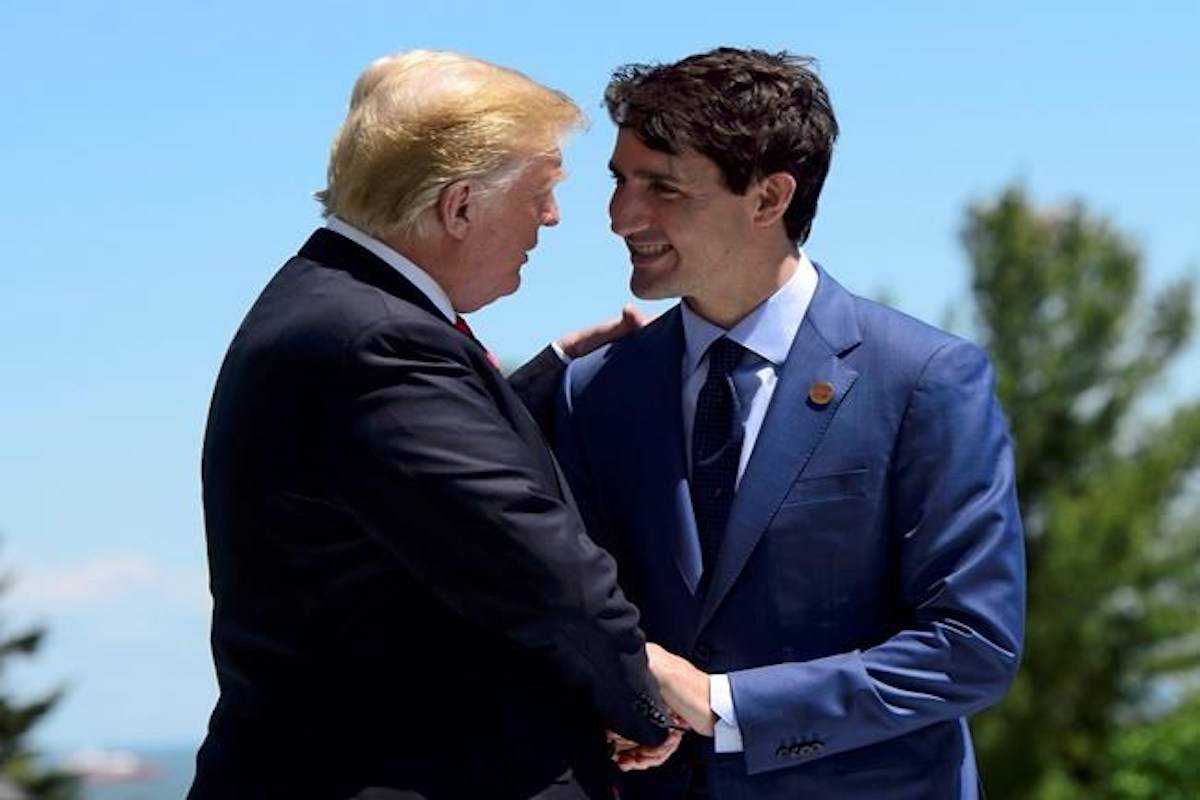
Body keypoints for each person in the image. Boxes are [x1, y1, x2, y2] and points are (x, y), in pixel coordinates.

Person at [190, 51, 675, 800]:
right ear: (459, 207)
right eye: (542, 194)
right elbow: (541, 572)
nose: (551, 219)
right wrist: (643, 700)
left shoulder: (337, 309)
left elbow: (403, 479)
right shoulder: (377, 343)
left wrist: (544, 378)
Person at [548, 48, 1026, 799]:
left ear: (769, 198)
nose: (620, 217)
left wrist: (725, 706)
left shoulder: (928, 379)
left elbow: (970, 648)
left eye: (662, 187)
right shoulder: (594, 392)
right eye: (620, 180)